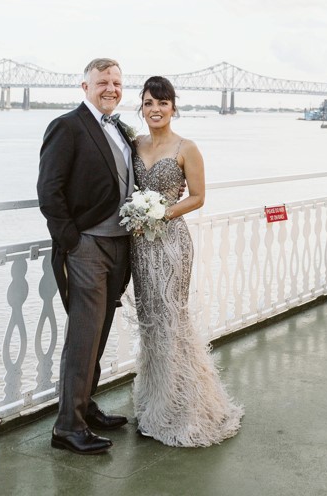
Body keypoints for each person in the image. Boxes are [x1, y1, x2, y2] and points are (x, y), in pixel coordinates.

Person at [130, 75, 244, 447]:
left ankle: (188, 407)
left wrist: (161, 214)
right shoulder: (135, 143)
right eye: (149, 103)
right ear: (142, 107)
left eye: (163, 103)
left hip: (170, 242)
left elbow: (198, 197)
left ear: (173, 107)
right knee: (150, 319)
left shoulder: (186, 147)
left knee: (171, 317)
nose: (156, 109)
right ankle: (155, 401)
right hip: (140, 245)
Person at [37, 58, 134, 455]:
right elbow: (49, 189)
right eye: (102, 82)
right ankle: (67, 428)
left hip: (119, 247)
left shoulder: (121, 129)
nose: (110, 88)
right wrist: (73, 242)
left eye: (116, 82)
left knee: (100, 332)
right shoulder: (67, 126)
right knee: (83, 336)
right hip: (88, 248)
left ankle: (84, 406)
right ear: (84, 86)